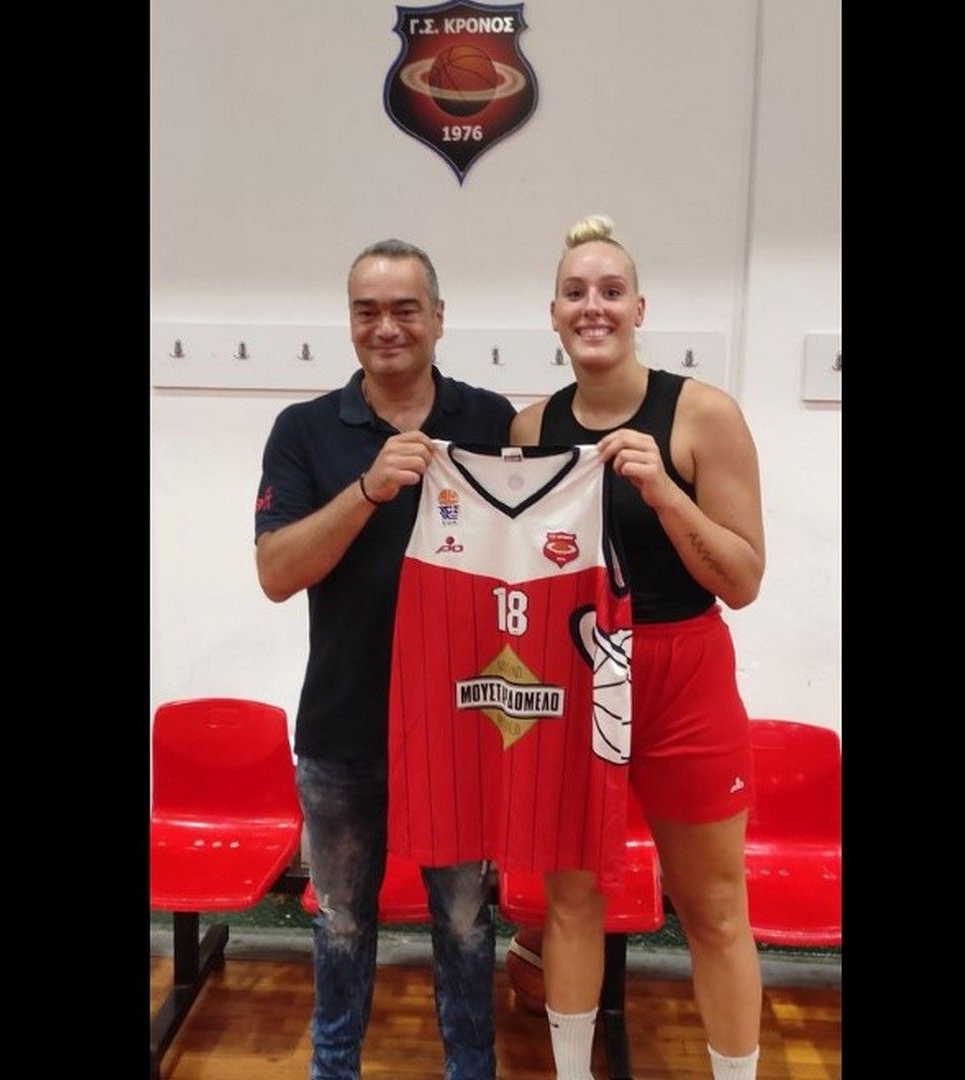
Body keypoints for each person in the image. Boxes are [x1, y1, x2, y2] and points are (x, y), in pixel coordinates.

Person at [509, 214, 767, 1080]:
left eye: (611, 291)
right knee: (570, 899)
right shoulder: (529, 430)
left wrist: (665, 492)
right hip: (574, 671)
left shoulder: (701, 414)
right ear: (553, 313)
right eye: (576, 293)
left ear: (638, 308)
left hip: (681, 670)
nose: (594, 307)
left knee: (714, 908)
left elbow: (742, 579)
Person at [255, 238, 517, 1080]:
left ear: (438, 318)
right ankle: (333, 1069)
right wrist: (367, 489)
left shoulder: (491, 420)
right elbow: (276, 572)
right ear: (349, 322)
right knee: (338, 921)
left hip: (463, 726)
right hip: (342, 722)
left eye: (405, 309)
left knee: (467, 922)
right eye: (367, 311)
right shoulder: (303, 430)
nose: (386, 327)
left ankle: (470, 1069)